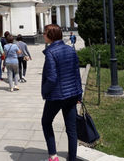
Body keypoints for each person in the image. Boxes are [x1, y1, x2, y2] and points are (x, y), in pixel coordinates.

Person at [41, 24, 83, 161]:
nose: (43, 35)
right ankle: (72, 157)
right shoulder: (70, 50)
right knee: (71, 128)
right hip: (71, 94)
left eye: (45, 33)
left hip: (56, 96)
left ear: (50, 35)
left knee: (46, 122)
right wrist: (79, 94)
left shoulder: (51, 52)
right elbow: (77, 73)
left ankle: (53, 156)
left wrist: (44, 91)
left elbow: (52, 78)